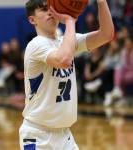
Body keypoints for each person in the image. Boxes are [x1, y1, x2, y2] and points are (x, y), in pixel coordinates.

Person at [19, 0, 114, 149]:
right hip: (38, 135)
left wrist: (101, 2)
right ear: (32, 20)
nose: (50, 12)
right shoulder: (36, 45)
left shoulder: (66, 42)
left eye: (50, 7)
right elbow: (64, 59)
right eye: (44, 10)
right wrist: (70, 20)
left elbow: (106, 35)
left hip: (64, 136)